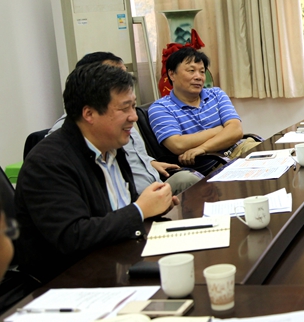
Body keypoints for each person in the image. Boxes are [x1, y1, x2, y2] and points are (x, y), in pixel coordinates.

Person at [15, 63, 178, 283]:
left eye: (133, 106)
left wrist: (153, 208)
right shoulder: (47, 162)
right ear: (89, 113)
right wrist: (140, 210)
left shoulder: (112, 147)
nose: (134, 117)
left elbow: (116, 213)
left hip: (121, 263)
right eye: (124, 108)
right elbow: (73, 237)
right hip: (71, 283)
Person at [48, 52, 200, 195]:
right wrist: (140, 208)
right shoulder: (61, 146)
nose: (134, 117)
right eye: (114, 75)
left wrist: (149, 162)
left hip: (150, 188)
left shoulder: (119, 127)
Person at [149, 47, 257, 166]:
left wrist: (203, 148)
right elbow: (178, 145)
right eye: (191, 70)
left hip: (240, 149)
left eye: (202, 71)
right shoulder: (160, 108)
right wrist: (220, 129)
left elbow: (236, 131)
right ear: (171, 74)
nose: (199, 77)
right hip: (212, 167)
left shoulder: (216, 94)